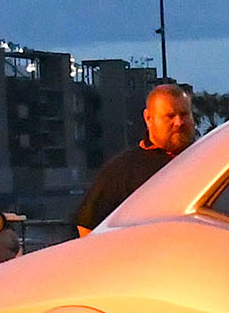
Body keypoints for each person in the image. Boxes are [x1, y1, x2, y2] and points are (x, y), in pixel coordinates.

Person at [75, 83, 197, 235]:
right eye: (170, 116)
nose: (179, 123)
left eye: (184, 114)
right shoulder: (122, 170)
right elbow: (87, 228)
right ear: (148, 118)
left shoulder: (207, 160)